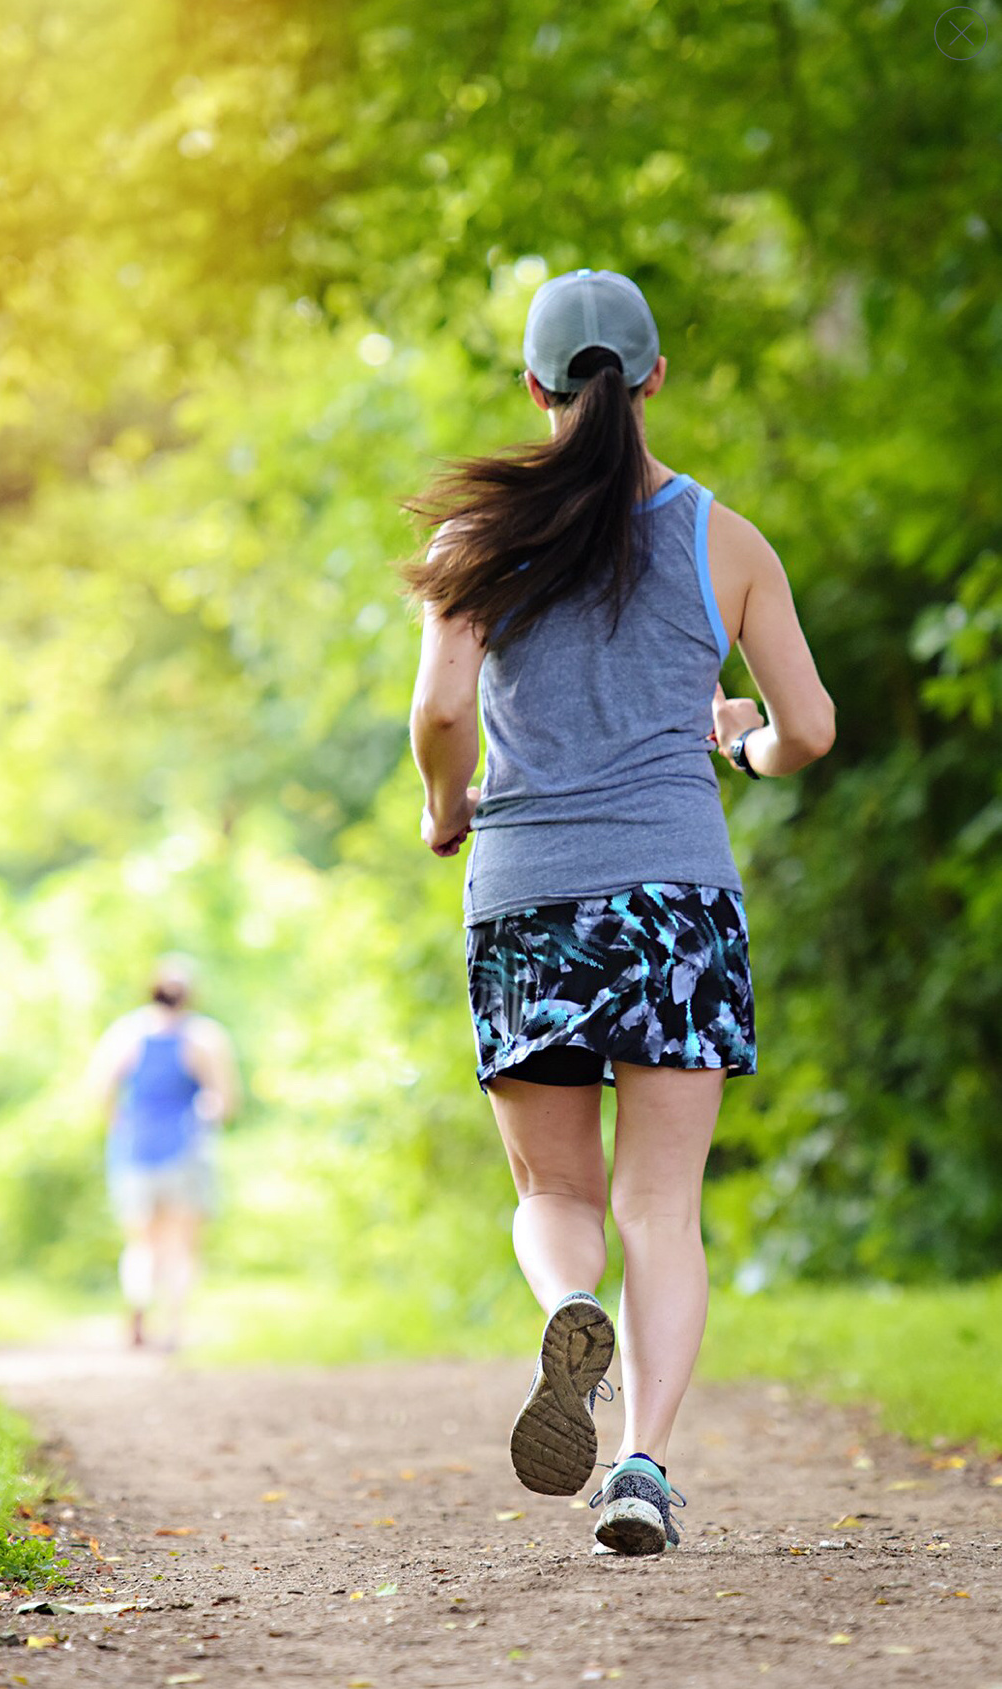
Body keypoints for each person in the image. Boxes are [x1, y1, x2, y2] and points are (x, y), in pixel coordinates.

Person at [405, 268, 835, 1555]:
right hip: (678, 898)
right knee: (666, 1203)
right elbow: (806, 728)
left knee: (554, 1189)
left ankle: (567, 1307)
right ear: (653, 378)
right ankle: (641, 1466)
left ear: (533, 389)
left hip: (529, 892)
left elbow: (437, 716)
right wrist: (738, 747)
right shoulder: (725, 539)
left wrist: (444, 806)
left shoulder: (475, 539)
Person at [88, 955, 241, 1348]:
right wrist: (207, 1111)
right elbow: (225, 1102)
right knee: (180, 1244)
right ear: (191, 995)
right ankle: (174, 1326)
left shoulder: (125, 1034)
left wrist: (119, 1122)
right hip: (185, 1150)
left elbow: (100, 1091)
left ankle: (138, 1309)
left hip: (133, 1150)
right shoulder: (203, 1038)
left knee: (141, 1242)